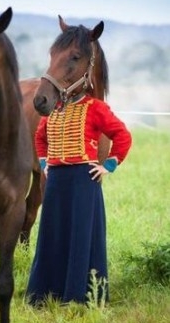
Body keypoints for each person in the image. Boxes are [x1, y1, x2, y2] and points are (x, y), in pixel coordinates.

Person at [26, 93, 132, 306]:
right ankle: (45, 293)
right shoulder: (53, 108)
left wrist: (108, 165)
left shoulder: (96, 107)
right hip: (56, 180)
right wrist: (46, 164)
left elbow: (122, 135)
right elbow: (40, 137)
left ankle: (79, 296)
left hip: (84, 179)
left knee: (81, 235)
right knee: (52, 233)